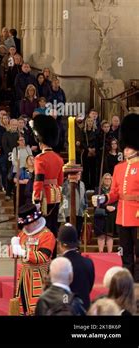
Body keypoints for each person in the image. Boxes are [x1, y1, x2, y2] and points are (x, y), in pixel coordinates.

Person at [93, 113, 139, 282]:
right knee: (126, 252)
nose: (125, 149)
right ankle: (129, 283)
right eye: (125, 146)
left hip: (137, 215)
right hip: (123, 216)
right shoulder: (119, 168)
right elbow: (114, 193)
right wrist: (103, 199)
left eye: (129, 146)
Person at [11, 203, 56, 315]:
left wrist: (24, 252)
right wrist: (13, 248)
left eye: (27, 224)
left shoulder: (47, 235)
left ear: (35, 221)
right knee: (22, 305)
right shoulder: (23, 234)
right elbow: (15, 255)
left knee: (37, 307)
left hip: (40, 275)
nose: (24, 226)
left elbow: (43, 256)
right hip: (24, 275)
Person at [31, 115, 63, 254]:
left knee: (43, 228)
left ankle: (44, 255)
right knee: (53, 227)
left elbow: (38, 180)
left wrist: (36, 199)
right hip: (56, 195)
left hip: (44, 196)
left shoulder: (40, 159)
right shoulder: (59, 158)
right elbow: (60, 180)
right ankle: (53, 255)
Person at [57, 224, 95, 310]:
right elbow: (89, 286)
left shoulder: (58, 264)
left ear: (60, 244)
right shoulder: (88, 262)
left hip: (65, 309)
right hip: (84, 307)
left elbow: (55, 291)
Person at [94, 173, 116, 253]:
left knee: (110, 235)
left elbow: (117, 201)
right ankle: (101, 253)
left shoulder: (114, 190)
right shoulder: (98, 190)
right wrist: (106, 207)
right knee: (101, 235)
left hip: (111, 215)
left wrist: (114, 207)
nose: (107, 180)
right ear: (103, 180)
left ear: (111, 180)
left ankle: (109, 254)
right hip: (100, 215)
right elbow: (96, 202)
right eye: (106, 179)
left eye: (109, 179)